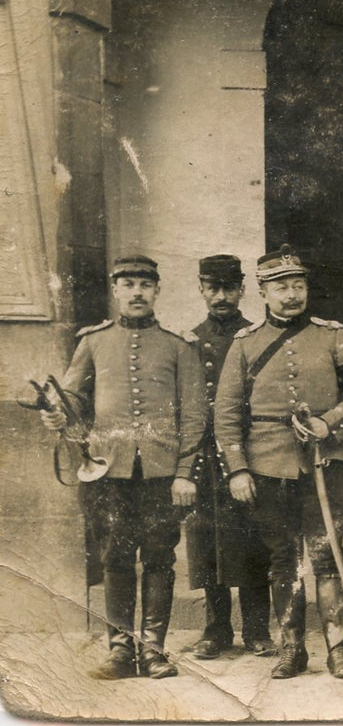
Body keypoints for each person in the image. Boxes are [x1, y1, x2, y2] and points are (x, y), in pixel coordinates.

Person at [212, 245, 343, 680]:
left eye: (298, 285)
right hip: (267, 466)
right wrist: (238, 469)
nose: (291, 294)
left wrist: (329, 424)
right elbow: (226, 413)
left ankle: (338, 650)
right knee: (283, 561)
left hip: (326, 462)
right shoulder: (245, 344)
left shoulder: (332, 335)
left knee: (328, 558)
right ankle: (292, 649)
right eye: (281, 287)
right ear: (263, 293)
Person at [40, 255, 206, 680]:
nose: (136, 292)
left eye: (144, 285)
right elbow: (73, 398)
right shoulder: (93, 341)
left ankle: (152, 650)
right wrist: (58, 413)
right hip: (107, 473)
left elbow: (194, 417)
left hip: (161, 474)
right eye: (128, 284)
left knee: (158, 557)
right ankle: (119, 650)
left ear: (156, 291)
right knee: (115, 558)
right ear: (116, 290)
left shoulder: (178, 344)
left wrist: (185, 472)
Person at [186, 254, 273, 660]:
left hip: (248, 453)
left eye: (229, 288)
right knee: (208, 544)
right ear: (201, 290)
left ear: (241, 290)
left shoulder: (257, 336)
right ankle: (215, 630)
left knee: (254, 541)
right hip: (205, 459)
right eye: (212, 288)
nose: (221, 296)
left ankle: (257, 631)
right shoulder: (188, 342)